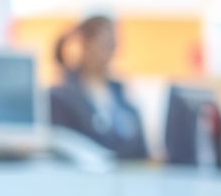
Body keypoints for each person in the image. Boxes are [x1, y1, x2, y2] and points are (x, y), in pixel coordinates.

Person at [47, 15, 149, 162]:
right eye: (104, 43)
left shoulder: (122, 97)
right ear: (85, 44)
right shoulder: (61, 98)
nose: (110, 51)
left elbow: (140, 148)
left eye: (113, 44)